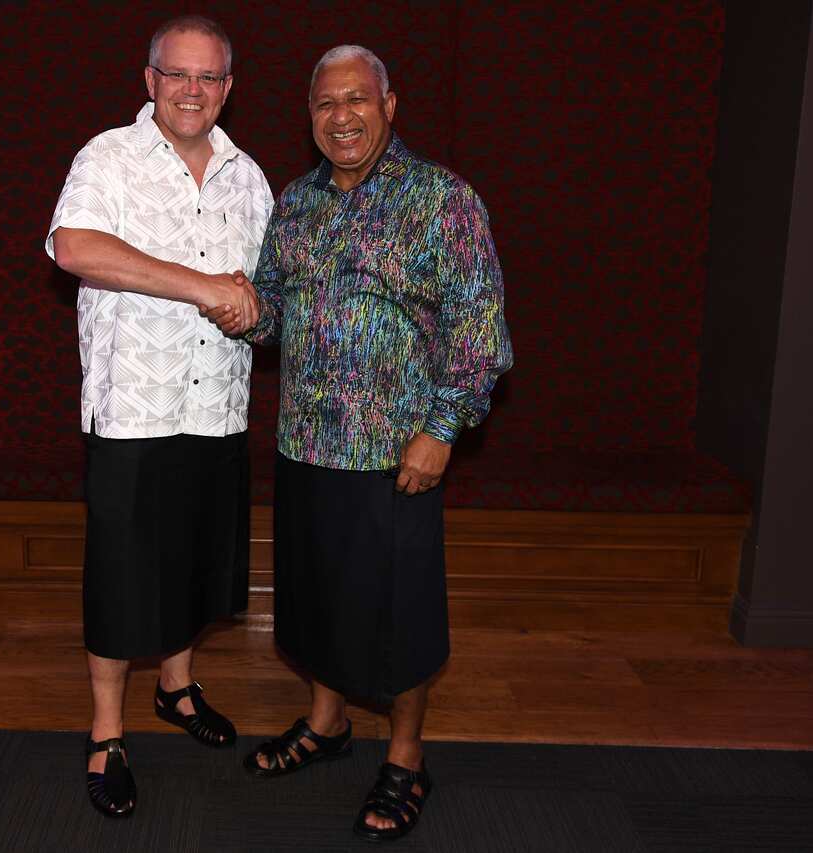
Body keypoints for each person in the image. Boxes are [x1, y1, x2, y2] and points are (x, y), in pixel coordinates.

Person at [206, 45, 512, 841]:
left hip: (394, 455)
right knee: (313, 600)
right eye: (324, 103)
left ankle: (406, 756)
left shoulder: (443, 199)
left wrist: (440, 430)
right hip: (305, 444)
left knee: (399, 617)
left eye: (356, 99)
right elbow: (275, 310)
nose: (340, 116)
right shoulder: (296, 201)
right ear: (309, 116)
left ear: (389, 105)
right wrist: (238, 305)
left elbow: (479, 330)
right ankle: (327, 721)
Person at [45, 14, 272, 819]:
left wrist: (255, 306)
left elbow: (264, 289)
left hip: (217, 407)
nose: (192, 90)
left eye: (208, 77)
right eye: (177, 74)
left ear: (227, 88)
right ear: (149, 80)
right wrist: (202, 286)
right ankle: (107, 733)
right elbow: (73, 247)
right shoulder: (108, 157)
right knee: (120, 579)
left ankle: (176, 687)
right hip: (135, 411)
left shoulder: (249, 178)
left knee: (193, 563)